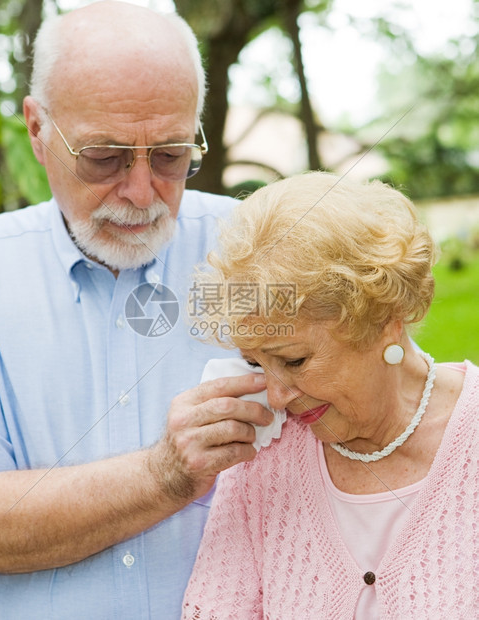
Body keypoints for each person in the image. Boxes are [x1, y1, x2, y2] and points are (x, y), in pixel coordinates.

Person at [0, 3, 275, 619]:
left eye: (172, 155)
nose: (142, 193)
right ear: (38, 129)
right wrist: (165, 475)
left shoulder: (258, 247)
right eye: (104, 158)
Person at [182, 171, 479, 618]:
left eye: (295, 360)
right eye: (256, 363)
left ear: (385, 319)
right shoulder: (262, 456)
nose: (276, 397)